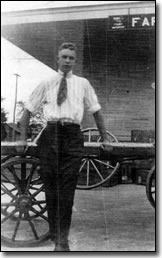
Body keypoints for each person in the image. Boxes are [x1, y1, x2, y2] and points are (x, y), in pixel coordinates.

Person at [19, 42, 109, 251]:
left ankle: (62, 241)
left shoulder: (83, 83)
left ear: (75, 61)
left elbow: (96, 111)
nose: (68, 61)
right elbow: (27, 111)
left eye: (71, 58)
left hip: (71, 136)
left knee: (67, 190)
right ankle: (54, 233)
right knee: (51, 189)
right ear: (57, 59)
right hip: (51, 135)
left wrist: (105, 138)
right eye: (64, 57)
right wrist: (22, 139)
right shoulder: (46, 82)